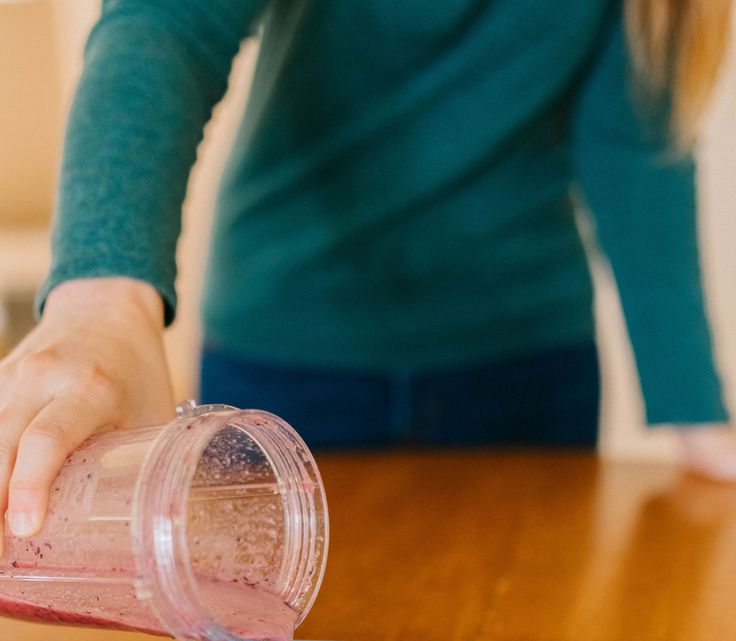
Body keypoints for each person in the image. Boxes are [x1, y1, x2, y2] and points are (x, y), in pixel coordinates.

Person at [0, 0, 733, 545]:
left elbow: (637, 144)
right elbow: (169, 25)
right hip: (289, 355)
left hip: (526, 365)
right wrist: (102, 298)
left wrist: (695, 407)